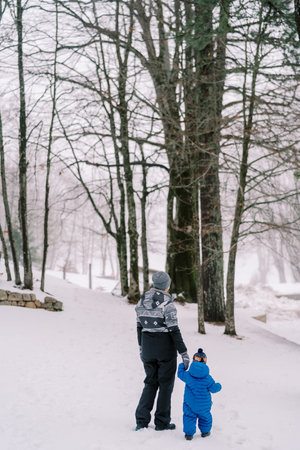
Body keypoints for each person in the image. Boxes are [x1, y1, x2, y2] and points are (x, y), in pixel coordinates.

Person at [135, 271, 190, 431]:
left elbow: (139, 326)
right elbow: (174, 330)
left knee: (150, 382)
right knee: (165, 385)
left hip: (147, 346)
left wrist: (141, 347)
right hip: (165, 348)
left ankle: (141, 420)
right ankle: (162, 422)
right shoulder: (168, 304)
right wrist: (184, 352)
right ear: (167, 285)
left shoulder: (141, 301)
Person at [177, 348, 222, 440]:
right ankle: (205, 432)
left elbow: (180, 374)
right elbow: (213, 388)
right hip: (203, 405)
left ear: (194, 360)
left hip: (190, 404)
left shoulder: (188, 375)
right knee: (205, 417)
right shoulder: (207, 378)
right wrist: (219, 386)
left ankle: (189, 434)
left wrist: (183, 365)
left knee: (189, 417)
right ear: (205, 362)